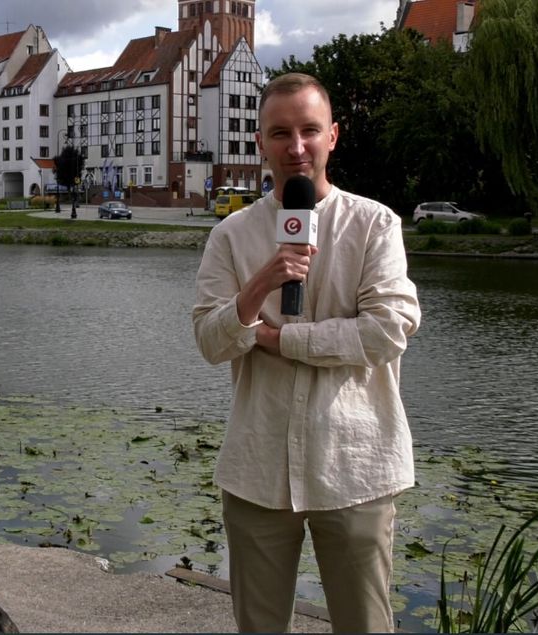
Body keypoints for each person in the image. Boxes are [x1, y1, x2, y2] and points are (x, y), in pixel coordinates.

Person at [191, 72, 421, 633]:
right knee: (260, 626)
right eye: (280, 133)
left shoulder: (374, 225)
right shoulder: (231, 236)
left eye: (309, 131)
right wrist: (258, 287)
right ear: (260, 143)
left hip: (356, 465)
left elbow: (387, 331)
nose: (296, 148)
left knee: (364, 625)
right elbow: (210, 342)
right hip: (257, 467)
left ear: (333, 136)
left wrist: (280, 338)